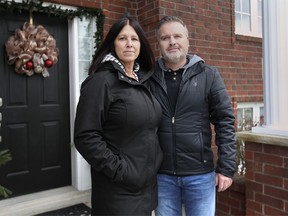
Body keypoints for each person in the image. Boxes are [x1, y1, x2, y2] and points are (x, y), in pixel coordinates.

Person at [74, 16, 163, 216]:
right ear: (113, 43)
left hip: (145, 189)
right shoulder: (101, 82)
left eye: (135, 38)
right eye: (122, 38)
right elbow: (85, 136)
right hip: (117, 192)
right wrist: (120, 171)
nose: (129, 44)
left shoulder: (142, 82)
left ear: (141, 44)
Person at [149, 16, 237, 216]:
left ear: (187, 40)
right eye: (165, 38)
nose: (172, 41)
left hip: (200, 175)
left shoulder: (209, 75)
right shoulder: (149, 78)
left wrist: (226, 168)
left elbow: (225, 121)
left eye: (177, 36)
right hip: (161, 176)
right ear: (159, 44)